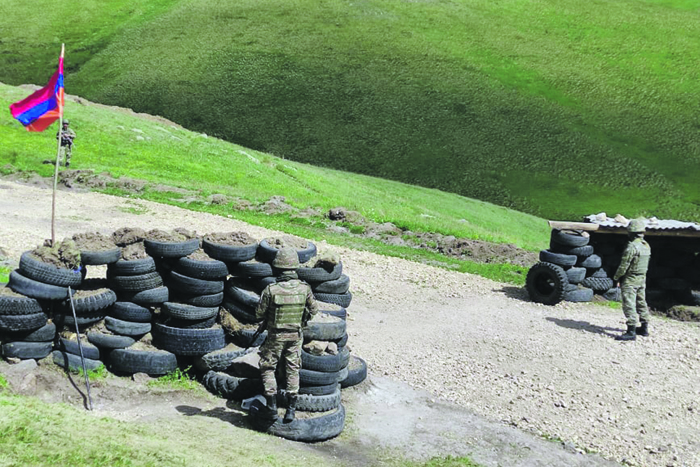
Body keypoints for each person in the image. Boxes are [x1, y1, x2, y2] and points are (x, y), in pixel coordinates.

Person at [255, 247, 319, 422]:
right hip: (295, 336)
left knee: (268, 367)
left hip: (275, 336)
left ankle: (272, 408)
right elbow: (314, 310)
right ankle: (291, 410)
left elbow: (258, 314)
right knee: (293, 369)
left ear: (277, 268)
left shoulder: (271, 290)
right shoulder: (304, 289)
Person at [613, 218, 651, 341]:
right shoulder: (646, 246)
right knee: (641, 302)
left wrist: (616, 277)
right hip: (642, 278)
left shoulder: (632, 247)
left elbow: (624, 265)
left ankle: (631, 331)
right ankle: (644, 327)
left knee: (629, 304)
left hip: (631, 279)